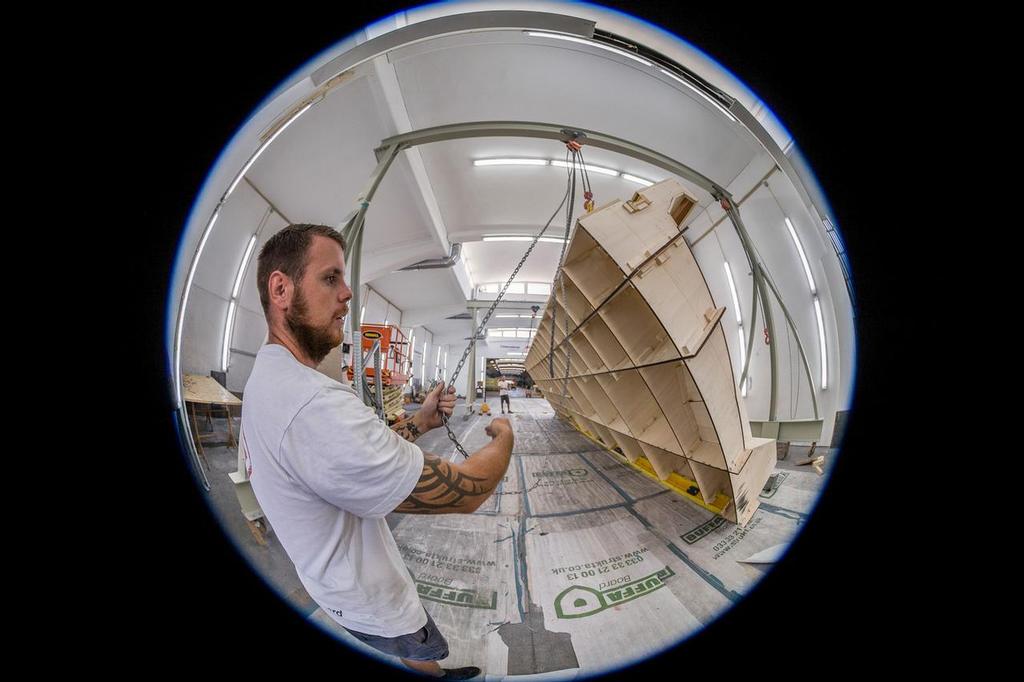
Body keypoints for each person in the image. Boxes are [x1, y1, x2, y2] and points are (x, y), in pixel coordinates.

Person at [239, 224, 514, 680]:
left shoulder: (268, 381)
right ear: (281, 288)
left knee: (414, 648)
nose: (347, 293)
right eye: (331, 278)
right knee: (416, 642)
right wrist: (504, 435)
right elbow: (467, 492)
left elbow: (356, 458)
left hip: (332, 584)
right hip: (370, 597)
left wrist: (422, 421)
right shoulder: (314, 406)